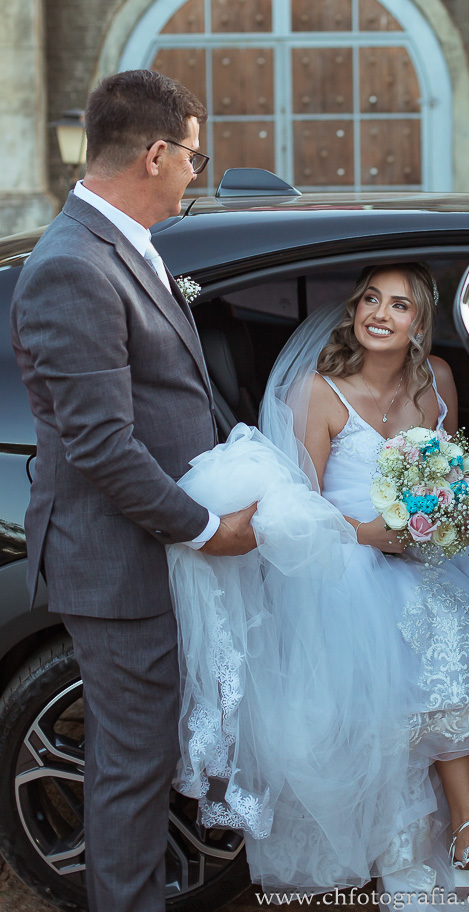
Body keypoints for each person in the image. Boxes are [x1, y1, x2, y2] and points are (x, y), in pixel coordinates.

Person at [170, 262, 469, 901]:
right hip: (340, 560)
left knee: (457, 624)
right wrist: (371, 534)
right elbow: (294, 509)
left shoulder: (439, 379)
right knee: (413, 639)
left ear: (420, 324)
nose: (379, 314)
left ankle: (466, 825)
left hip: (420, 556)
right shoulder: (317, 392)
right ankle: (455, 828)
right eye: (371, 299)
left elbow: (448, 474)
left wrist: (449, 517)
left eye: (399, 305)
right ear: (353, 310)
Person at [10, 69, 258, 912]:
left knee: (144, 759)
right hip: (117, 561)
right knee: (131, 767)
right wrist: (208, 529)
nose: (195, 173)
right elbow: (102, 446)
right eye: (193, 156)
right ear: (155, 155)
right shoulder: (73, 267)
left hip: (147, 552)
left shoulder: (124, 243)